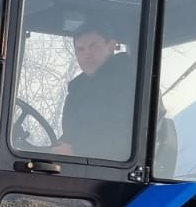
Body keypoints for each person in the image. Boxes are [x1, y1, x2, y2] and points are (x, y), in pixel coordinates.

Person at [49, 23, 139, 159]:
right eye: (80, 49)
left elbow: (127, 136)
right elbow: (72, 135)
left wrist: (77, 150)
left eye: (93, 46)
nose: (87, 54)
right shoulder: (79, 91)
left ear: (111, 46)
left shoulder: (130, 82)